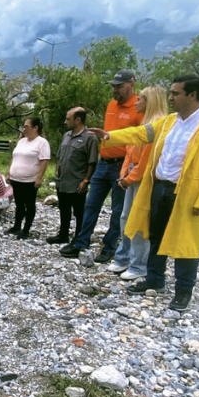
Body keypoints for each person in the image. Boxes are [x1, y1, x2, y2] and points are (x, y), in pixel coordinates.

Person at [88, 75, 199, 311]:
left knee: (186, 243)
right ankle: (155, 279)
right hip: (160, 187)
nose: (171, 97)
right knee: (155, 235)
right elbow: (140, 134)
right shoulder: (169, 121)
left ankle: (183, 291)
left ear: (192, 95)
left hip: (187, 193)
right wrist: (109, 136)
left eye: (176, 93)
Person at [59, 69, 143, 262]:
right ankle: (81, 242)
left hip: (122, 165)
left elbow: (140, 139)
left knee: (118, 209)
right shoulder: (111, 105)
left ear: (131, 84)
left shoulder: (138, 108)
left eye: (119, 86)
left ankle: (110, 245)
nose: (115, 90)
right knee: (91, 204)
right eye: (113, 86)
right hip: (103, 163)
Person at [109, 86, 169, 280]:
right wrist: (123, 172)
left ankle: (139, 264)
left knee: (140, 221)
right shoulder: (144, 122)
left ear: (150, 101)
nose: (136, 102)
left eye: (141, 99)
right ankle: (124, 257)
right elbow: (130, 150)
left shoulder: (159, 124)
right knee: (125, 217)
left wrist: (130, 177)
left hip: (143, 179)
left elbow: (148, 159)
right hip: (132, 174)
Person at [47, 107, 98, 245]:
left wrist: (86, 181)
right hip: (62, 181)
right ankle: (63, 235)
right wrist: (57, 170)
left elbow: (92, 162)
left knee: (79, 212)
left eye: (68, 119)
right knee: (64, 209)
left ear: (78, 120)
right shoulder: (67, 135)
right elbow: (59, 155)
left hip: (77, 182)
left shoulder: (90, 138)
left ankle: (79, 238)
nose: (65, 122)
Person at [5, 117, 50, 240]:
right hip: (16, 179)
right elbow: (14, 157)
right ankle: (17, 226)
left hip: (29, 180)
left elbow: (45, 161)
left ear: (35, 128)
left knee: (29, 204)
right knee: (19, 204)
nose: (24, 129)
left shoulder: (42, 142)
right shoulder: (22, 141)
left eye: (27, 126)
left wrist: (39, 178)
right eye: (23, 126)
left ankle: (26, 229)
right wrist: (9, 173)